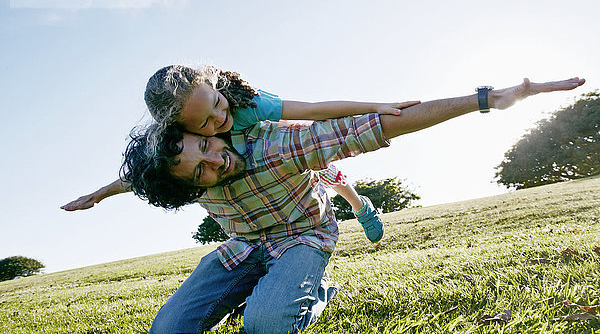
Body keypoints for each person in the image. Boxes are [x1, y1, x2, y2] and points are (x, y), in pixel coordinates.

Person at [64, 76, 585, 333]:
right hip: (244, 245)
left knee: (265, 325)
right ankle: (265, 289)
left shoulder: (272, 138)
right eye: (197, 165)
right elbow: (137, 180)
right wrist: (98, 194)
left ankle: (310, 294)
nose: (212, 163)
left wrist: (483, 99)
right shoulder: (175, 171)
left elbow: (378, 123)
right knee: (167, 329)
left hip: (301, 236)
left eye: (209, 147)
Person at [62, 65, 422, 242]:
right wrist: (99, 194)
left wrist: (376, 105)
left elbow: (313, 109)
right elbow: (143, 176)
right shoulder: (180, 142)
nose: (220, 118)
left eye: (217, 104)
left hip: (273, 144)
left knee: (325, 170)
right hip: (242, 168)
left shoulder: (247, 104)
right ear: (179, 128)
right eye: (204, 123)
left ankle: (360, 206)